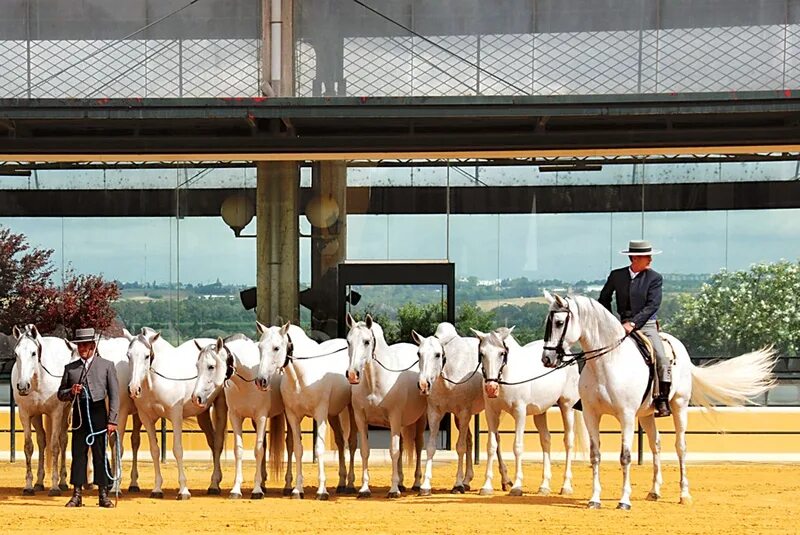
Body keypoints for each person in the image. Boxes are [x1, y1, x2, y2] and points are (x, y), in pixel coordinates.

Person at [599, 240, 671, 417]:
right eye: (647, 256)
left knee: (661, 358)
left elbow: (652, 305)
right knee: (595, 351)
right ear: (635, 258)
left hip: (646, 325)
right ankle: (588, 393)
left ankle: (662, 399)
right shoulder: (616, 275)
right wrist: (611, 322)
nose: (651, 259)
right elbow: (604, 299)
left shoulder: (654, 278)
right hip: (620, 325)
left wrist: (633, 324)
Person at [57, 327, 119, 507]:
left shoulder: (107, 365)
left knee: (100, 454)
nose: (82, 348)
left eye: (85, 345)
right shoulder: (70, 368)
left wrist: (112, 420)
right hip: (79, 414)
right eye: (79, 345)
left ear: (93, 345)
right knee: (78, 454)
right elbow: (60, 394)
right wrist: (71, 391)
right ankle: (77, 494)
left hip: (98, 412)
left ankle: (103, 495)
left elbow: (114, 396)